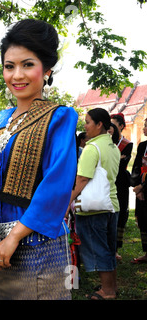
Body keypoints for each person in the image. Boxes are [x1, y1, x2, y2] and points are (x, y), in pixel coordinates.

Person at [0, 19, 78, 300]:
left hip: (38, 244)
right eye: (9, 66)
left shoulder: (59, 117)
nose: (17, 75)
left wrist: (14, 238)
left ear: (46, 70)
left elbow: (56, 185)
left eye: (27, 64)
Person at [70, 108, 120, 300]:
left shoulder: (92, 148)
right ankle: (111, 287)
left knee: (98, 250)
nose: (85, 126)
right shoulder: (112, 146)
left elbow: (82, 180)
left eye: (88, 122)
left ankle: (107, 292)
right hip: (112, 205)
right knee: (108, 249)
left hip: (93, 209)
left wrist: (68, 201)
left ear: (99, 125)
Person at [110, 113, 133, 260]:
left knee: (120, 214)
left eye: (114, 125)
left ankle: (116, 248)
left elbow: (121, 165)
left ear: (121, 126)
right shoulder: (105, 143)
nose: (110, 128)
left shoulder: (127, 144)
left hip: (121, 182)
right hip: (108, 182)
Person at [130, 118, 147, 264]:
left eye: (146, 126)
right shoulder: (142, 146)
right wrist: (138, 188)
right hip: (141, 191)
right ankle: (146, 252)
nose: (143, 129)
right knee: (142, 220)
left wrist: (143, 186)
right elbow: (136, 167)